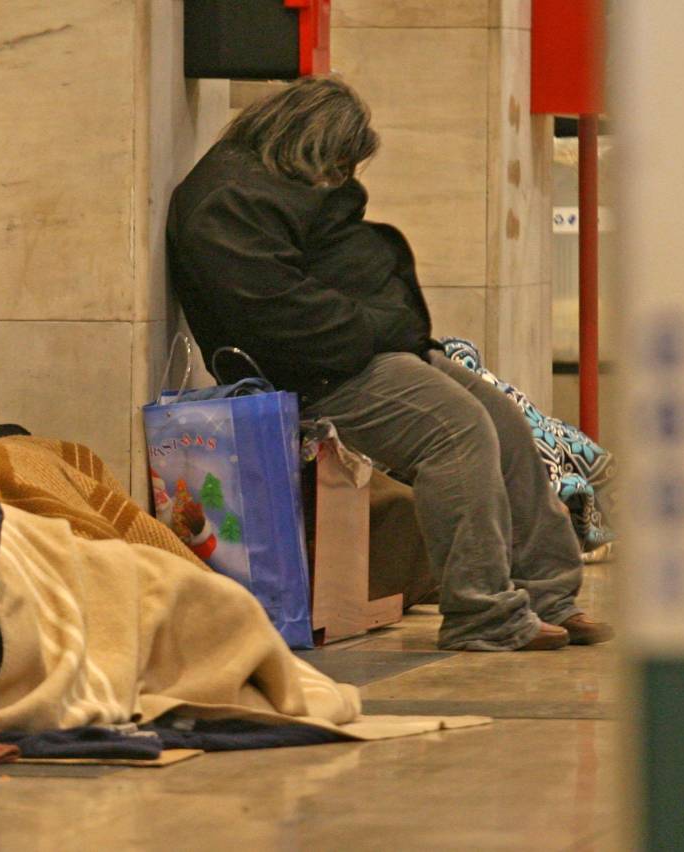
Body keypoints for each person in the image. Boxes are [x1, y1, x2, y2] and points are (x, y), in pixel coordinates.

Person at [166, 76, 613, 651]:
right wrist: (379, 324)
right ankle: (482, 612)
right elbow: (281, 319)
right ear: (311, 143)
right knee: (456, 429)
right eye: (339, 165)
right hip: (316, 370)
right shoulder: (227, 203)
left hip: (358, 348)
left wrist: (387, 325)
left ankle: (549, 594)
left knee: (502, 419)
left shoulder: (277, 184)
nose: (341, 179)